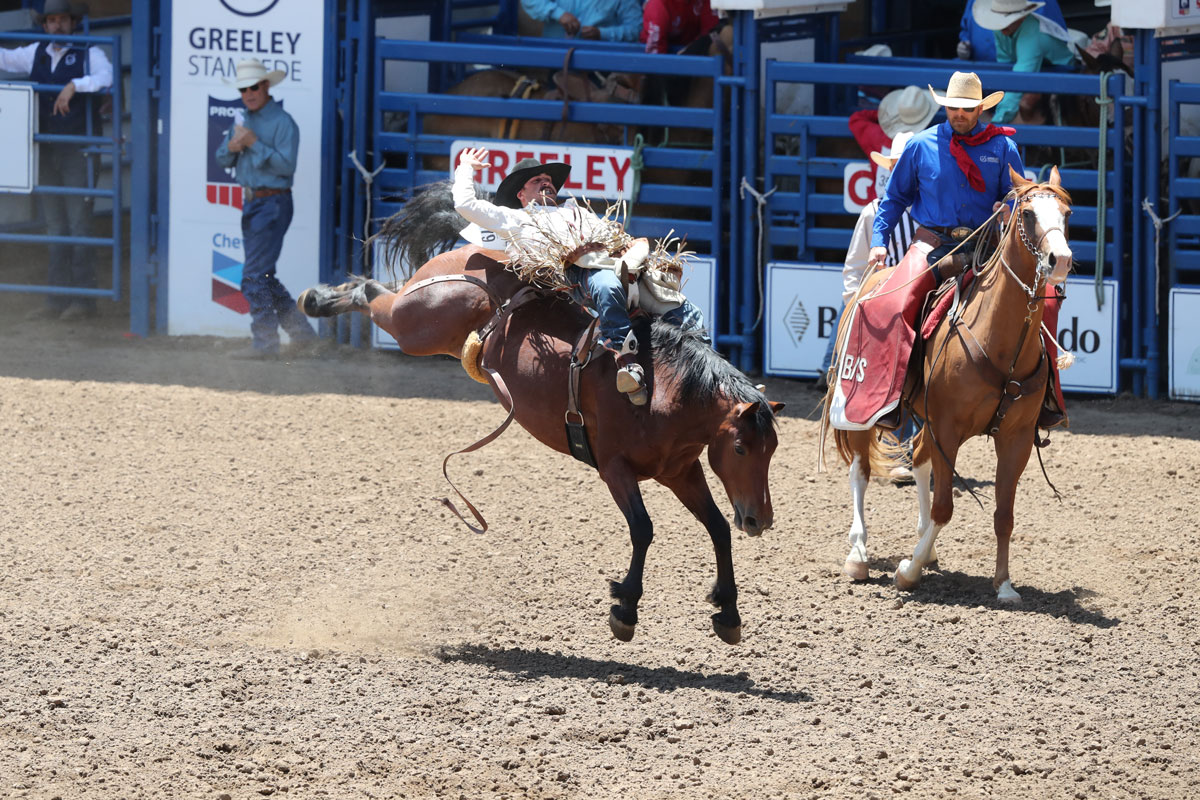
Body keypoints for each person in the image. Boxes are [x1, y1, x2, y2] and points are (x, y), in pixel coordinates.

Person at [866, 71, 1065, 429]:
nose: (960, 114)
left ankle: (1046, 396)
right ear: (946, 107)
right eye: (955, 107)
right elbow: (894, 200)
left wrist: (1006, 207)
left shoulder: (1003, 148)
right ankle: (891, 396)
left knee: (1046, 299)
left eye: (968, 108)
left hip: (986, 246)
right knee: (896, 304)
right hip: (932, 246)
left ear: (980, 109)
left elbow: (1018, 197)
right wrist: (879, 243)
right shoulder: (920, 146)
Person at [452, 147, 707, 405]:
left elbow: (610, 235)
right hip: (582, 273)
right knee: (607, 286)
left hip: (622, 266)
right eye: (536, 180)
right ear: (521, 194)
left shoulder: (577, 211)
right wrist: (466, 168)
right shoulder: (515, 219)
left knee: (681, 306)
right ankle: (625, 360)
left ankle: (709, 367)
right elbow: (465, 204)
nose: (546, 183)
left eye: (548, 180)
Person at [0, 0, 113, 321]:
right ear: (45, 25)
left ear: (72, 22)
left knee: (76, 224)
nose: (58, 25)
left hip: (77, 149)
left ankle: (82, 301)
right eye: (52, 20)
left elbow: (106, 78)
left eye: (63, 19)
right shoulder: (37, 51)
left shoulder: (91, 53)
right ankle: (58, 300)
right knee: (57, 225)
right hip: (50, 148)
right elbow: (5, 58)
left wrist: (74, 85)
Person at [214, 59, 318, 359]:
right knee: (263, 275)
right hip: (257, 203)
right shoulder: (244, 118)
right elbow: (223, 159)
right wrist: (233, 147)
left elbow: (287, 166)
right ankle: (302, 336)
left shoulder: (282, 123)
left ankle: (265, 344)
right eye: (243, 88)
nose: (248, 92)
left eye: (253, 87)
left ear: (265, 86)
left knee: (254, 275)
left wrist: (253, 143)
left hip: (271, 202)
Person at [972, 0, 1077, 125]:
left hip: (1061, 76)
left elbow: (1020, 79)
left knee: (1026, 103)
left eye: (1006, 20)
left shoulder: (1033, 34)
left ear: (1022, 17)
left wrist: (997, 121)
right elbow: (1005, 63)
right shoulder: (1001, 29)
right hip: (1033, 70)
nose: (1001, 25)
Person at [847, 85, 938, 194]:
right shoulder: (928, 145)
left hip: (879, 205)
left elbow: (856, 119)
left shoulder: (877, 137)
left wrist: (886, 116)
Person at [957, 0, 1066, 62]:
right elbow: (966, 28)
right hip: (980, 73)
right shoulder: (974, 2)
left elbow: (1056, 34)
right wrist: (965, 44)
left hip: (1029, 74)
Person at [520, 0, 642, 41]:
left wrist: (602, 34)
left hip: (599, 68)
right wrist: (558, 14)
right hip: (557, 61)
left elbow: (636, 29)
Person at [641, 0, 720, 55]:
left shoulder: (706, 2)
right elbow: (655, 54)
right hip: (650, 58)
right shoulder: (658, 4)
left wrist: (688, 52)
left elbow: (709, 33)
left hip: (692, 57)